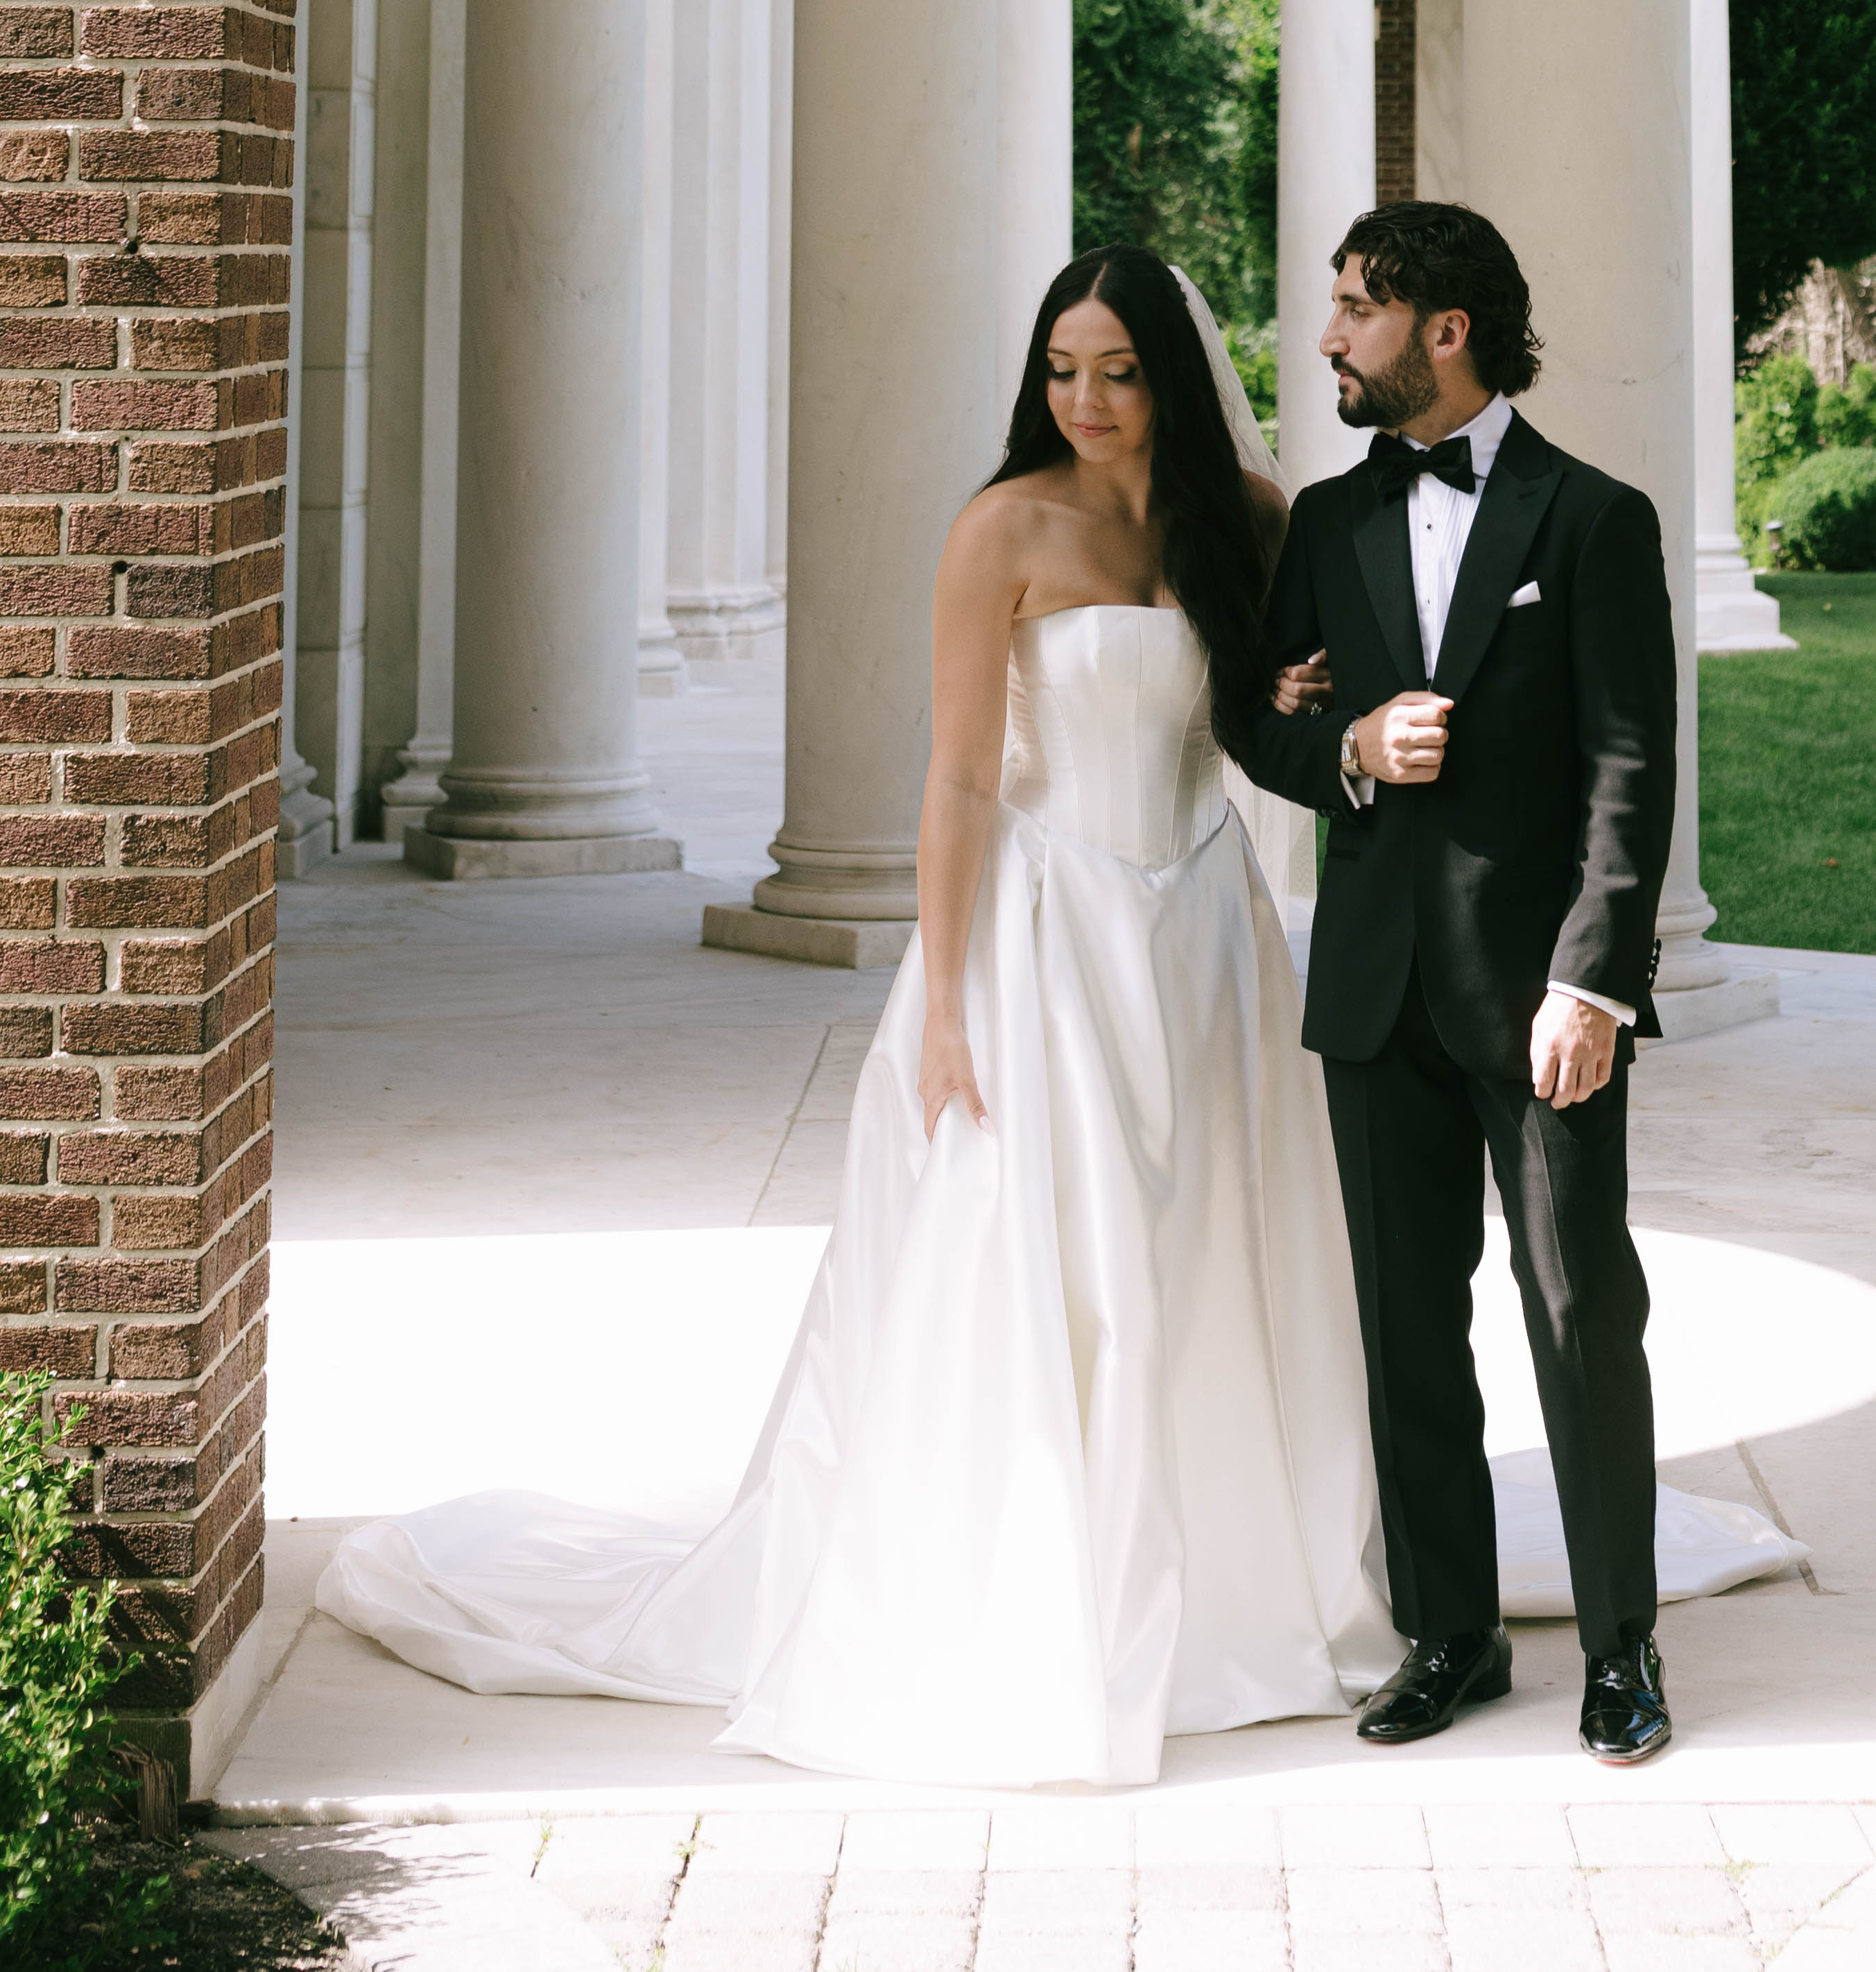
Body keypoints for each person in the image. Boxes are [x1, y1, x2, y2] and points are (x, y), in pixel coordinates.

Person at [313, 248, 1397, 1787]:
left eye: (1120, 369)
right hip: (1045, 930)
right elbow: (959, 777)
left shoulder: (1257, 516)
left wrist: (1308, 696)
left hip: (1204, 923)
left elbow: (1271, 711)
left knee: (1215, 1237)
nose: (1086, 399)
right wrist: (947, 1002)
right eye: (1062, 368)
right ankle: (1048, 1578)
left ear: (1173, 372)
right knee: (1049, 1256)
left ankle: (1234, 1574)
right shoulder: (1000, 527)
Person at [1214, 200, 1689, 1772]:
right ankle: (1453, 1632)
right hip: (1370, 989)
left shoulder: (1592, 518)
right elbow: (1261, 721)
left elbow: (1632, 767)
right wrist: (1345, 743)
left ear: (1447, 329)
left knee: (1578, 1308)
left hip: (1539, 997)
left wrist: (1596, 984)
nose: (1334, 334)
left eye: (1359, 308)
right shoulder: (1333, 527)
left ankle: (1621, 1649)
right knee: (1408, 1328)